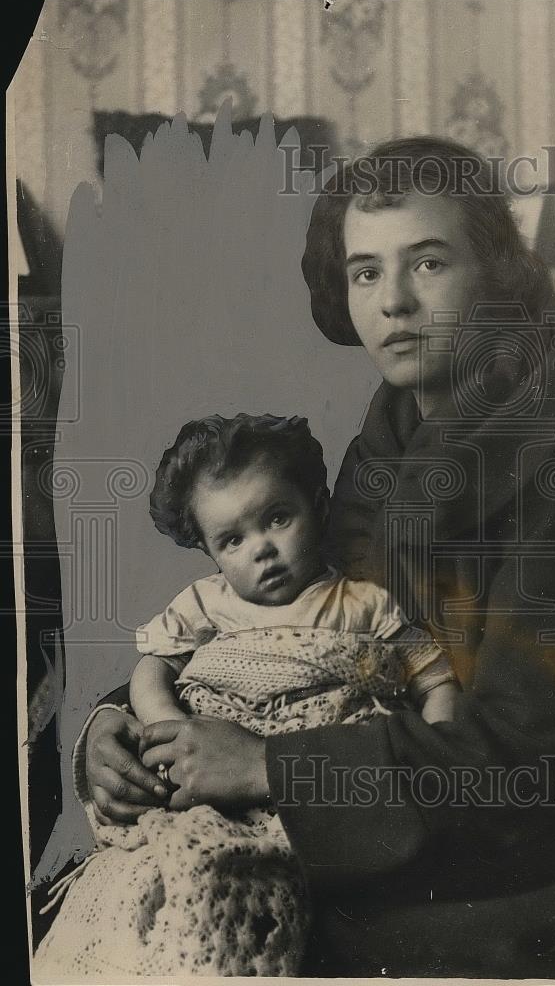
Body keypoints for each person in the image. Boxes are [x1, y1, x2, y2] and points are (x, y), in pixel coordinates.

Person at [74, 138, 555, 978]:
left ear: (496, 275)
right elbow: (304, 627)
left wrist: (266, 767)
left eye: (430, 263)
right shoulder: (388, 446)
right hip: (399, 839)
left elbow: (531, 768)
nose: (395, 302)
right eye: (366, 272)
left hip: (552, 882)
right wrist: (121, 727)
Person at [35, 412, 457, 979]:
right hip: (209, 764)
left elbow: (433, 676)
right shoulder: (207, 605)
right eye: (232, 539)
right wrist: (164, 724)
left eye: (278, 518)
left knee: (251, 875)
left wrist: (437, 739)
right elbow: (154, 666)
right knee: (146, 875)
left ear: (319, 507)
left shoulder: (361, 604)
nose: (262, 549)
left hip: (303, 767)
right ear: (209, 551)